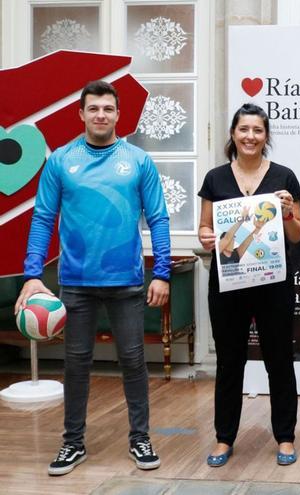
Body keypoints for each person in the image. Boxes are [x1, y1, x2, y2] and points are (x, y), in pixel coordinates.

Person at [15, 80, 171, 476]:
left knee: (134, 361)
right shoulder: (60, 161)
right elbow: (43, 219)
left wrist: (162, 272)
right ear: (81, 114)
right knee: (76, 363)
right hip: (76, 282)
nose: (101, 114)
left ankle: (140, 438)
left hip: (128, 282)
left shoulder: (138, 161)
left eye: (108, 108)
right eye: (93, 108)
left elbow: (158, 218)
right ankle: (73, 443)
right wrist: (33, 274)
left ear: (118, 115)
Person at [197, 103, 300, 468]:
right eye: (244, 129)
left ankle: (286, 437)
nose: (250, 136)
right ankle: (224, 438)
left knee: (279, 360)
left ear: (266, 136)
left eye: (257, 130)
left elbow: (297, 234)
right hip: (228, 285)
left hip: (273, 283)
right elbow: (203, 231)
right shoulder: (214, 178)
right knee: (229, 363)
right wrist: (207, 238)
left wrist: (288, 212)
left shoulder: (285, 177)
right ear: (233, 134)